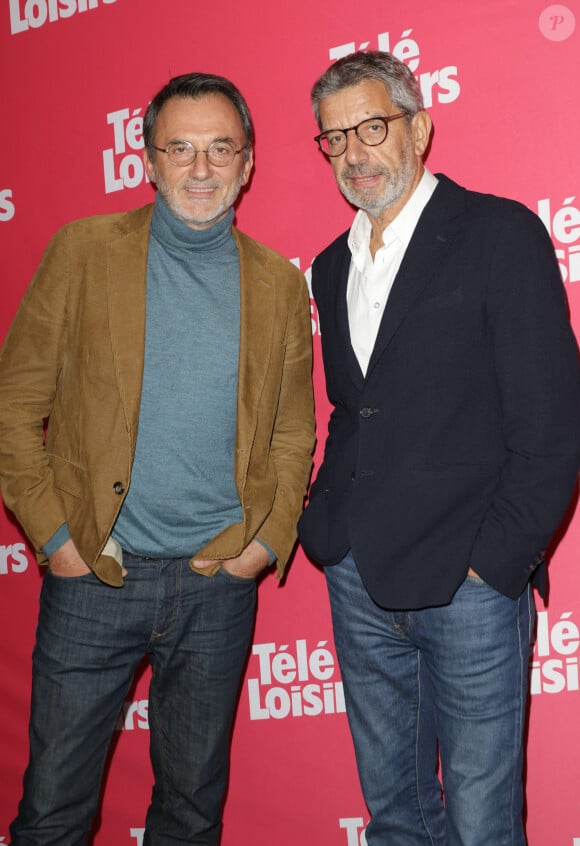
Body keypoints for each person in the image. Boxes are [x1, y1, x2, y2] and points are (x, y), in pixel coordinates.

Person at [0, 72, 314, 846]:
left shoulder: (277, 282)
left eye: (220, 149)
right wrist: (56, 539)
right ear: (146, 159)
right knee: (52, 813)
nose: (200, 170)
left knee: (190, 814)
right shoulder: (83, 251)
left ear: (248, 165)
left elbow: (293, 434)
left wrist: (263, 547)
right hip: (95, 576)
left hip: (217, 584)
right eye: (181, 148)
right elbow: (13, 406)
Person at [297, 50, 580, 845]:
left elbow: (551, 422)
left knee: (483, 823)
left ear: (419, 127)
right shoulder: (328, 266)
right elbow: (357, 412)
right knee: (395, 816)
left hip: (468, 585)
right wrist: (330, 535)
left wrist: (494, 563)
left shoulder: (498, 232)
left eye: (372, 127)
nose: (353, 152)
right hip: (358, 577)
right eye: (334, 138)